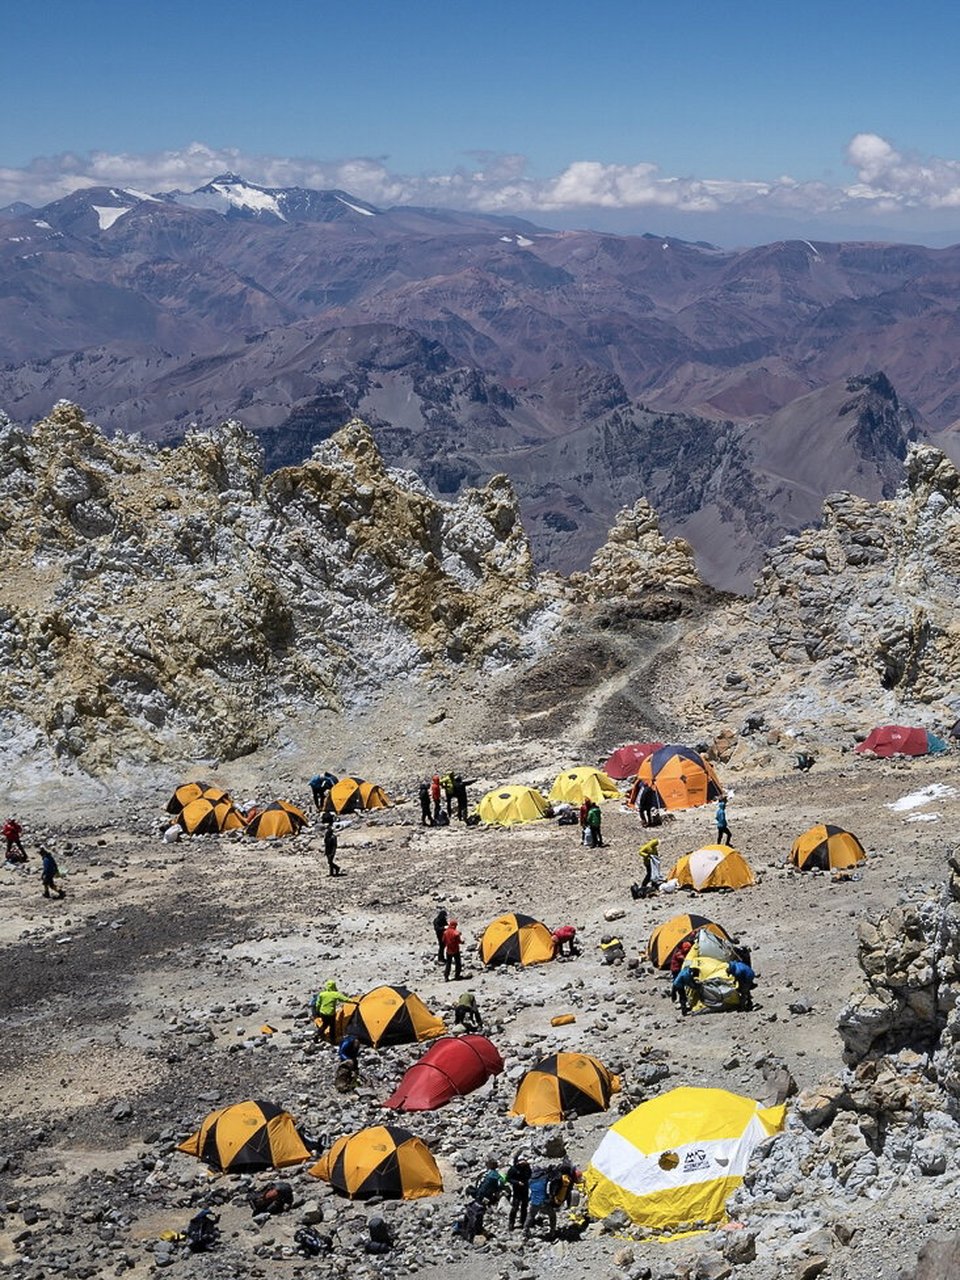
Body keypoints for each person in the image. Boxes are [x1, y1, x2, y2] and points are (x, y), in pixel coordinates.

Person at [526, 1166, 557, 1239]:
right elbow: (551, 1177)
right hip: (543, 1202)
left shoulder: (530, 1181)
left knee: (531, 1215)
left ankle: (525, 1230)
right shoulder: (544, 1179)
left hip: (533, 1202)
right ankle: (552, 1232)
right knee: (552, 1215)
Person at [506, 1153, 532, 1230]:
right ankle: (511, 1222)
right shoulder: (513, 1169)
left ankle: (523, 1221)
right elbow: (508, 1179)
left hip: (525, 1188)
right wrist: (517, 1182)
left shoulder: (527, 1167)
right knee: (515, 1207)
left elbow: (530, 1174)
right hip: (517, 1190)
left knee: (524, 1206)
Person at [443, 917, 463, 981]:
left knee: (448, 964)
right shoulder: (456, 933)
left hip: (448, 950)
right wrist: (462, 942)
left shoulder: (445, 932)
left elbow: (443, 940)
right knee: (458, 963)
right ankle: (457, 976)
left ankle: (446, 976)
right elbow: (459, 941)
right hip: (455, 950)